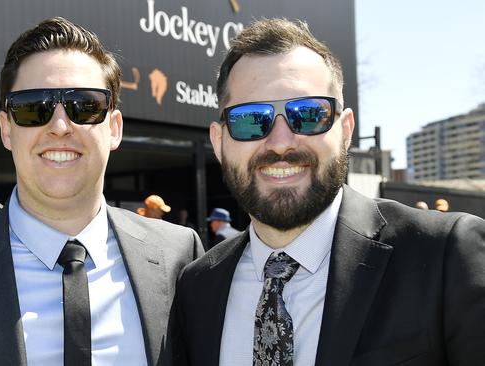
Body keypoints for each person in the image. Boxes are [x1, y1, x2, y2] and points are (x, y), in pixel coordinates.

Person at [0, 17, 203, 366]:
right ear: (6, 130)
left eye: (85, 106)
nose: (59, 126)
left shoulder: (179, 257)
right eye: (33, 107)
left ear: (114, 128)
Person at [172, 18, 485, 366]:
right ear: (219, 141)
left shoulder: (444, 255)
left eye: (308, 114)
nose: (280, 143)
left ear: (346, 129)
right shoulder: (197, 286)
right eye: (250, 119)